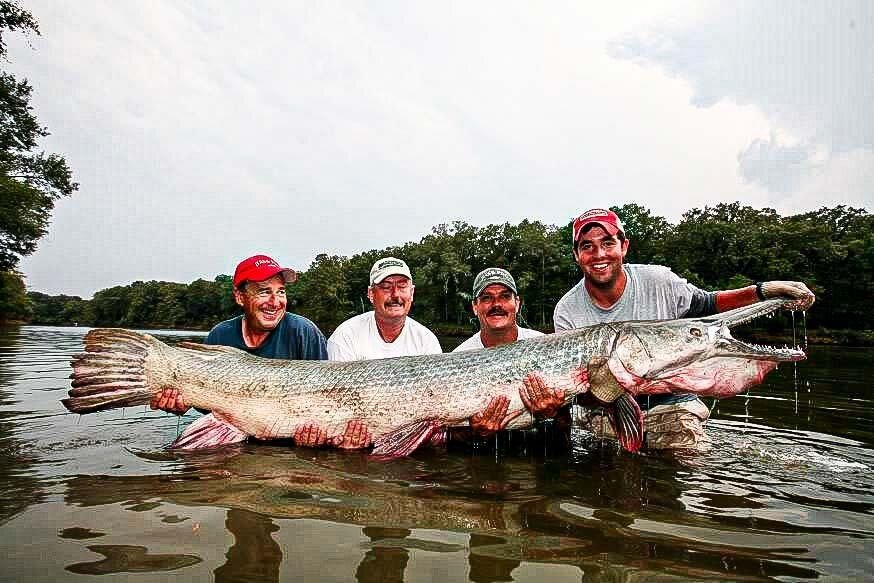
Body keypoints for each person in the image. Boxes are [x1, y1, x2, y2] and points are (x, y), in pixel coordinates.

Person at [552, 208, 816, 451]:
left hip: (673, 404)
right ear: (577, 255)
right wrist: (598, 394)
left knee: (690, 463)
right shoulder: (567, 311)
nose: (599, 254)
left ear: (624, 246)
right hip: (604, 412)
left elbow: (707, 304)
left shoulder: (659, 280)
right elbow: (574, 393)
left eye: (608, 243)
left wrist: (762, 292)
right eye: (587, 246)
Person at [151, 255, 364, 448]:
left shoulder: (305, 332)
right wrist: (180, 404)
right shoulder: (220, 335)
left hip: (288, 447)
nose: (275, 302)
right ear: (240, 296)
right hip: (235, 436)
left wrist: (320, 438)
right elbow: (208, 407)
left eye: (281, 292)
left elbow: (329, 402)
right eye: (264, 291)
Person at [451, 267, 566, 450]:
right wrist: (475, 432)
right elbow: (451, 433)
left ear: (517, 303)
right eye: (487, 298)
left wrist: (552, 414)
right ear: (475, 306)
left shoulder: (546, 346)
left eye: (505, 296)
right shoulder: (457, 358)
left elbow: (567, 421)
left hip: (537, 446)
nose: (496, 304)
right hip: (485, 451)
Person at [326, 256, 442, 361]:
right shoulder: (345, 336)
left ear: (411, 293)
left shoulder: (427, 341)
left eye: (402, 286)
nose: (396, 294)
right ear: (371, 294)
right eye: (386, 287)